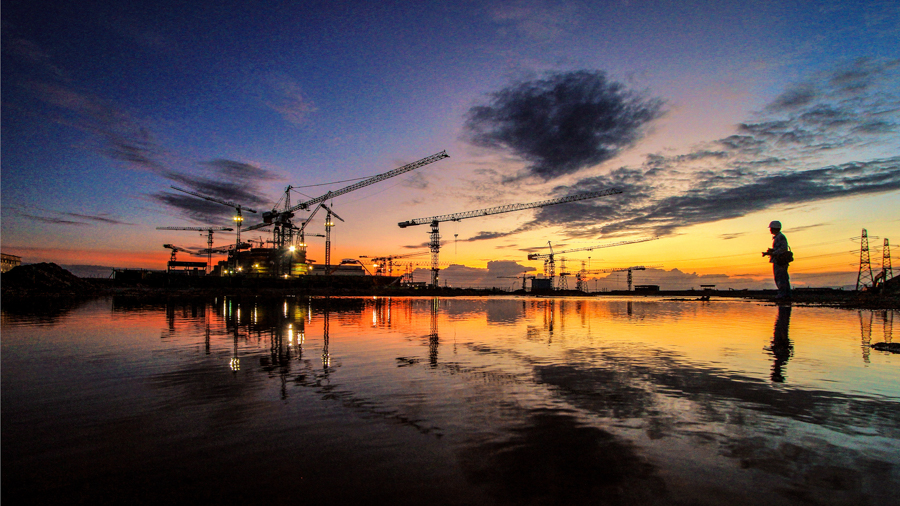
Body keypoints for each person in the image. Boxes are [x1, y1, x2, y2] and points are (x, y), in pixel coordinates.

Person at [762, 220, 791, 300]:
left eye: (771, 228)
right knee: (782, 277)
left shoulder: (780, 237)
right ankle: (786, 294)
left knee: (780, 278)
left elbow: (782, 249)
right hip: (779, 261)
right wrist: (771, 251)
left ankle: (783, 294)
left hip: (780, 261)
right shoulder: (778, 237)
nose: (770, 230)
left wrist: (773, 253)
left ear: (775, 228)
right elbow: (780, 248)